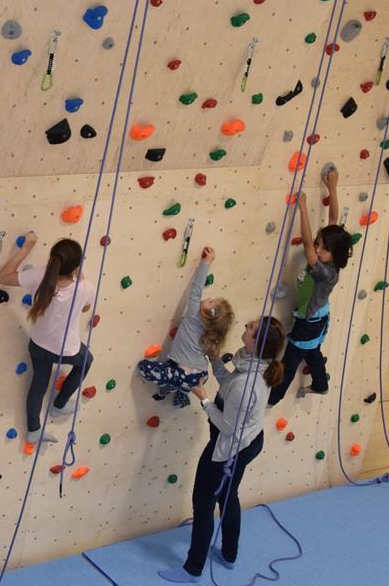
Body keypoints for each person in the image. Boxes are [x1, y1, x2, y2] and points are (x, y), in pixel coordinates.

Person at [158, 316, 287, 582]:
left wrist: (203, 398)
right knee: (228, 496)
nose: (246, 325)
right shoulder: (252, 364)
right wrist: (214, 359)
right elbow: (228, 383)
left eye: (251, 328)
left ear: (257, 342)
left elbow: (227, 426)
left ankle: (192, 569)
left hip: (230, 448)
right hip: (250, 440)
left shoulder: (246, 383)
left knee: (203, 504)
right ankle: (229, 554)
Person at [0, 232, 95, 453]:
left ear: (53, 260)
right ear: (76, 266)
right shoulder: (85, 287)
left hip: (38, 346)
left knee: (39, 384)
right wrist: (79, 274)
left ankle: (33, 429)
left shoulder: (39, 276)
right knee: (87, 360)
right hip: (66, 351)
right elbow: (86, 308)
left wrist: (26, 248)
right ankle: (59, 405)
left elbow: (3, 277)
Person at [267, 165, 352, 406]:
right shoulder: (335, 248)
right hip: (317, 316)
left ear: (333, 253)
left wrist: (303, 209)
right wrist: (332, 188)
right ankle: (321, 385)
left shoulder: (326, 272)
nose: (318, 249)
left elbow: (306, 243)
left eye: (323, 248)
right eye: (319, 244)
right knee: (312, 351)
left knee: (291, 360)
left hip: (309, 321)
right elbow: (333, 220)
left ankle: (273, 397)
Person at [136, 247, 234, 407]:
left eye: (210, 302)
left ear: (206, 314)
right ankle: (180, 394)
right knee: (179, 380)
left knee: (143, 367)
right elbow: (214, 358)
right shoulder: (213, 335)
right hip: (199, 376)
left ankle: (173, 388)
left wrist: (206, 263)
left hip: (182, 374)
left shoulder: (194, 315)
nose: (207, 298)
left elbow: (196, 289)